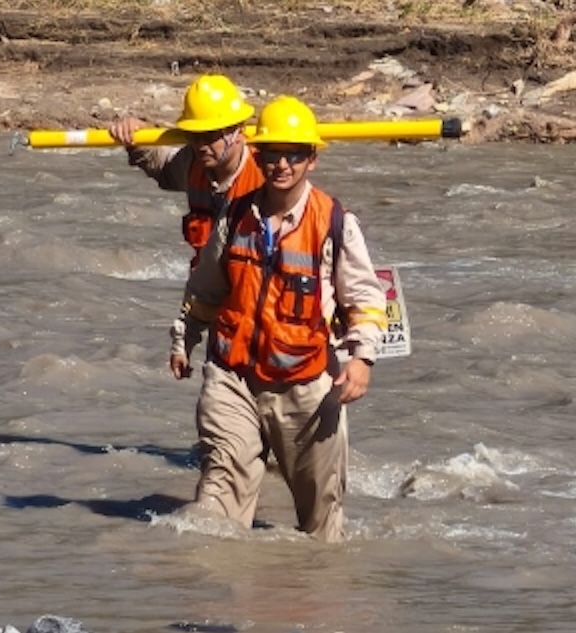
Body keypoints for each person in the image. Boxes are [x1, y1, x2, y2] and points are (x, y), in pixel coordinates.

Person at [167, 95, 388, 543]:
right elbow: (207, 288)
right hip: (234, 379)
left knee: (322, 528)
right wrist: (183, 337)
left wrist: (362, 359)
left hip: (306, 386)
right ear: (259, 154)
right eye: (272, 153)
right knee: (215, 510)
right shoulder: (235, 214)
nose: (281, 164)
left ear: (312, 159)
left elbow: (365, 296)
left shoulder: (335, 222)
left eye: (294, 154)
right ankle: (208, 599)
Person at [108, 74, 266, 268]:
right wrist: (136, 135)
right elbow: (161, 165)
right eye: (193, 135)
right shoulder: (193, 161)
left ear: (237, 131)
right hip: (208, 291)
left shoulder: (267, 172)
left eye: (209, 136)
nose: (201, 145)